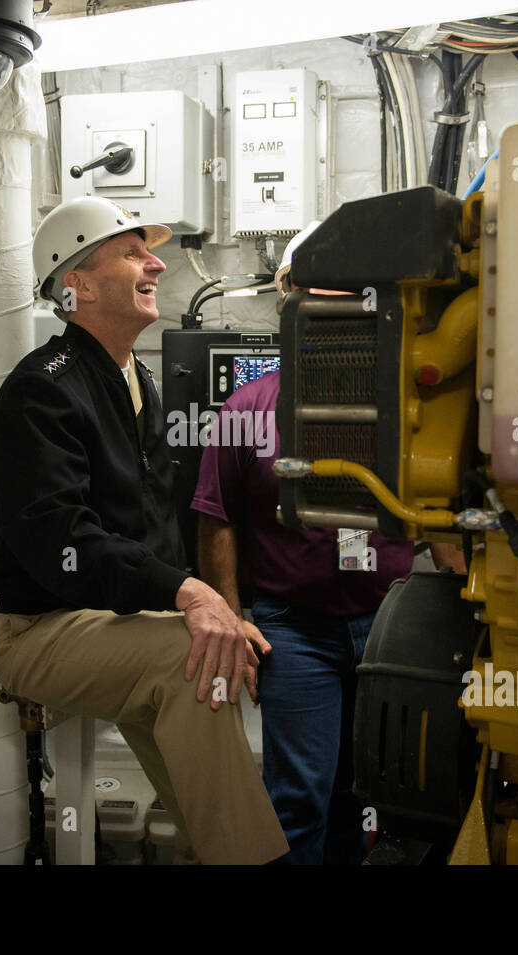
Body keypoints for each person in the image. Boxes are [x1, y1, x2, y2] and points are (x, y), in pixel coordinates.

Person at [0, 196, 287, 865]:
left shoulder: (135, 381)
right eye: (132, 252)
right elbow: (60, 540)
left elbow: (156, 525)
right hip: (39, 630)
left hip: (115, 620)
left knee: (207, 654)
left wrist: (218, 610)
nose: (156, 263)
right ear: (79, 284)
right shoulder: (43, 388)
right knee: (188, 658)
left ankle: (214, 847)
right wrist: (188, 595)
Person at [191, 222, 453, 864]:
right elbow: (216, 517)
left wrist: (465, 618)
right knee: (299, 799)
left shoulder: (407, 406)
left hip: (389, 629)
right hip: (294, 632)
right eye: (314, 291)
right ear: (290, 301)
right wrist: (232, 619)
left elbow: (442, 512)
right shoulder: (250, 407)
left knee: (367, 798)